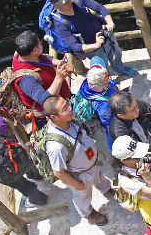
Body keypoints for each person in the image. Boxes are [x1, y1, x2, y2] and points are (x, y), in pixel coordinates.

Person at [41, 95, 110, 225]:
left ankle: (106, 189)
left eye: (67, 104)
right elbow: (59, 172)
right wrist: (77, 185)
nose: (70, 108)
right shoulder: (56, 146)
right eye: (65, 108)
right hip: (81, 175)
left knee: (100, 177)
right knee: (82, 196)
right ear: (54, 117)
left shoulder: (70, 120)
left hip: (92, 163)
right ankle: (88, 213)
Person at [46, 0, 138, 78]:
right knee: (101, 67)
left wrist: (110, 22)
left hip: (105, 34)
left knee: (116, 55)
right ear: (55, 5)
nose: (69, 1)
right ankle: (106, 82)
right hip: (92, 49)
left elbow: (100, 8)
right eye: (64, 2)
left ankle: (120, 69)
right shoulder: (59, 23)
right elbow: (74, 46)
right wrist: (96, 45)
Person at [111, 135, 151, 235]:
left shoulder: (140, 162)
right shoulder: (126, 180)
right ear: (123, 160)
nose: (142, 156)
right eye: (137, 156)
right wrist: (147, 177)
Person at [12, 30, 73, 124]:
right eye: (40, 43)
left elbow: (44, 57)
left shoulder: (22, 56)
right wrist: (59, 78)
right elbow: (45, 101)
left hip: (63, 101)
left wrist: (59, 62)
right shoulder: (26, 80)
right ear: (35, 50)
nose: (41, 43)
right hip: (51, 115)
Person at [77, 66, 119, 148]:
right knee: (111, 134)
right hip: (108, 122)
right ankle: (114, 148)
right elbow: (107, 121)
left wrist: (116, 87)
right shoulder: (103, 104)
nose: (107, 83)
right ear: (100, 85)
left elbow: (109, 83)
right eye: (105, 83)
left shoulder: (87, 83)